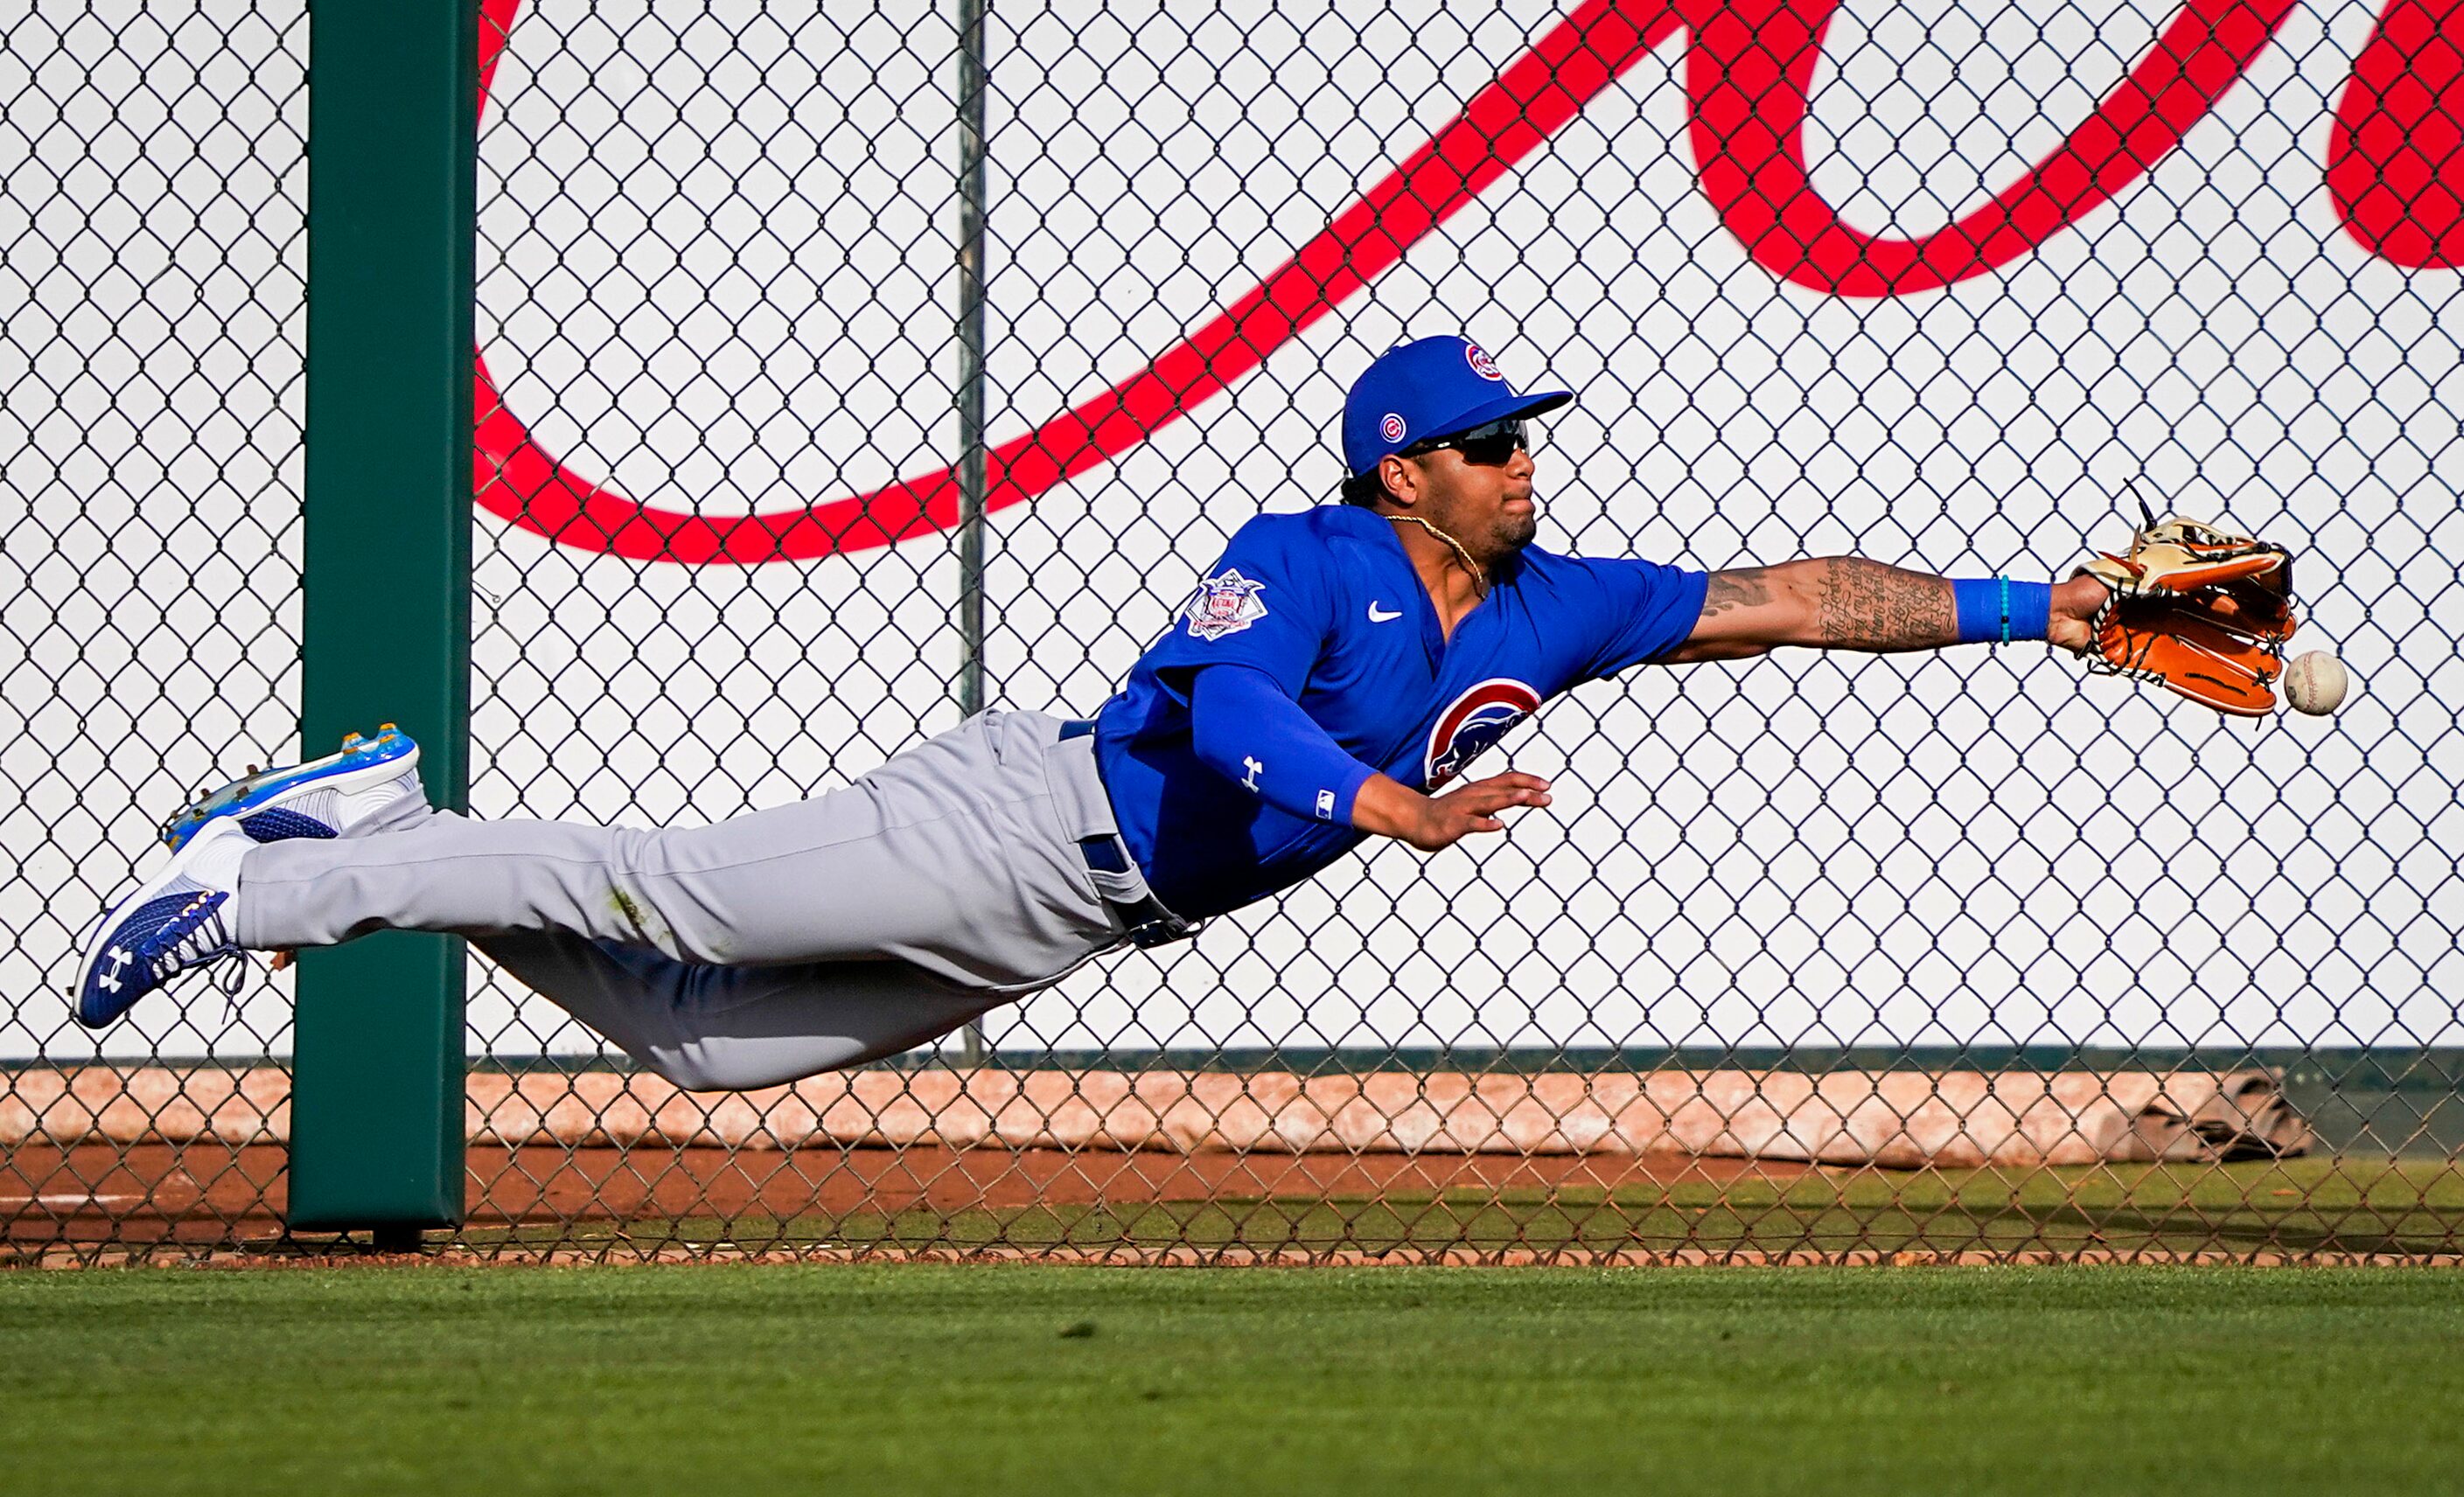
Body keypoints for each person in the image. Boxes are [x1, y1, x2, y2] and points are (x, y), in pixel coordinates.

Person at [74, 335, 2106, 1087]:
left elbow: (1798, 599)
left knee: (702, 1053)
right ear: (1398, 463)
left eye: (1517, 437)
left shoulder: (1557, 602)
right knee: (673, 886)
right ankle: (278, 880)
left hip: (1072, 920)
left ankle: (386, 826)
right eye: (1484, 441)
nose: (1518, 460)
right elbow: (1226, 706)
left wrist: (2055, 610)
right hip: (1018, 823)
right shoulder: (1299, 556)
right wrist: (1376, 813)